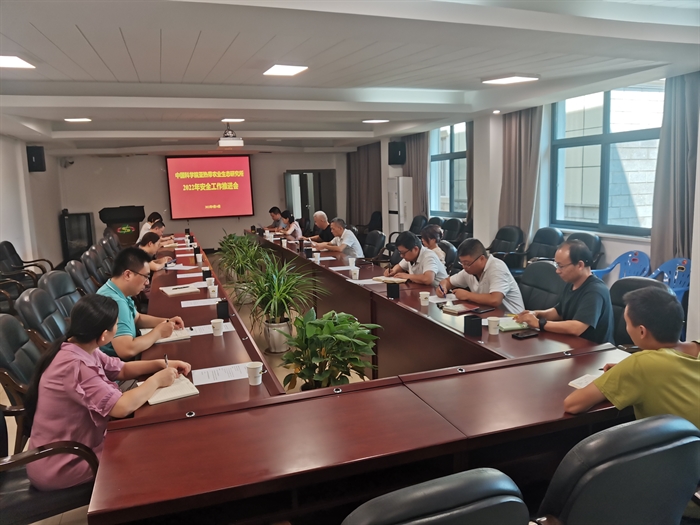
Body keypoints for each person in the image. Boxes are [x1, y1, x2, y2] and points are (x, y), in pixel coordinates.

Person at [23, 294, 191, 491]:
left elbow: (121, 369)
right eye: (116, 325)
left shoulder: (81, 346)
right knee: (149, 451)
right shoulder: (76, 366)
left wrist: (161, 364)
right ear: (104, 335)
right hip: (62, 463)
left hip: (74, 448)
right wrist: (156, 380)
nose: (118, 328)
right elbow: (121, 407)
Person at [563, 287, 700, 429]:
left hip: (671, 443)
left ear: (642, 331)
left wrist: (623, 374)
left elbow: (572, 405)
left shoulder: (641, 364)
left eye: (626, 323)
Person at [514, 240, 613, 344]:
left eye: (561, 266)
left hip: (594, 349)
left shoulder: (595, 291)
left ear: (580, 265)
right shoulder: (571, 283)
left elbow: (577, 327)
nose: (557, 271)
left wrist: (539, 323)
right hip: (572, 343)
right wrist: (536, 314)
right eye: (557, 265)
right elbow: (559, 312)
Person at [96, 247, 184, 359]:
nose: (147, 283)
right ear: (128, 275)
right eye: (145, 277)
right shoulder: (115, 301)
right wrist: (158, 333)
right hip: (118, 364)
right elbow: (126, 350)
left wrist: (167, 322)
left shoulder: (116, 289)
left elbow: (137, 319)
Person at [437, 238, 524, 314]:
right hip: (488, 314)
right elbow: (447, 281)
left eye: (467, 263)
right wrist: (443, 288)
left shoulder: (497, 268)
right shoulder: (469, 271)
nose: (464, 267)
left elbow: (495, 300)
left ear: (482, 258)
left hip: (513, 318)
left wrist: (467, 295)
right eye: (461, 263)